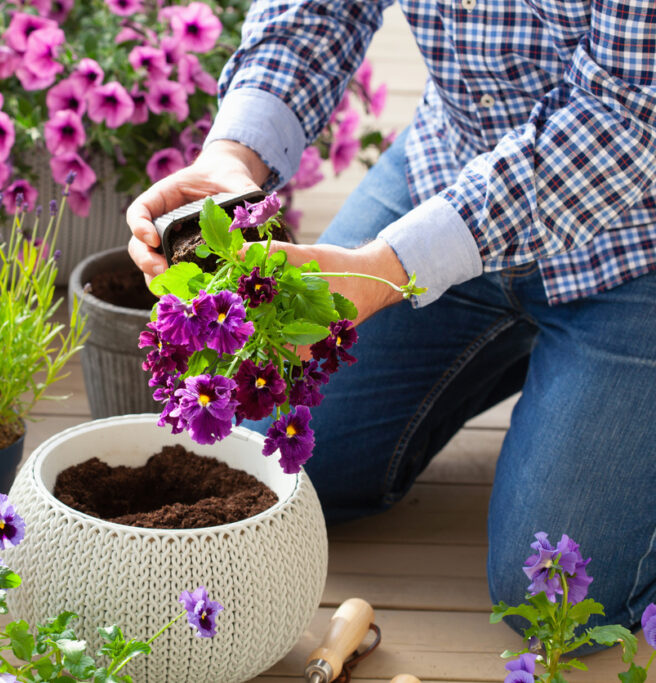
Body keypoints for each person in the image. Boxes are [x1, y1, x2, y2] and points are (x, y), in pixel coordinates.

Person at [126, 0, 656, 643]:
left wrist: (385, 266)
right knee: (282, 465)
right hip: (452, 167)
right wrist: (232, 157)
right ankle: (534, 359)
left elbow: (626, 114)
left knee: (554, 599)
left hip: (635, 244)